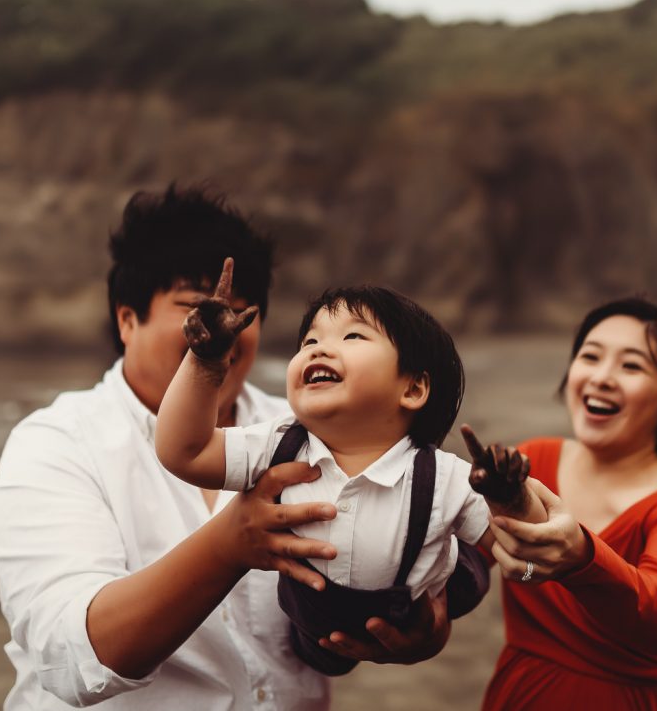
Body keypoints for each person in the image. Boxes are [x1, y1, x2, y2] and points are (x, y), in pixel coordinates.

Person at [0, 185, 451, 711]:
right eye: (197, 308)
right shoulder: (56, 443)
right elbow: (72, 657)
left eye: (243, 311)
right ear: (126, 319)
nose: (224, 326)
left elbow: (421, 533)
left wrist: (425, 627)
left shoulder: (310, 431)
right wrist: (226, 548)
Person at [155, 275, 546, 675]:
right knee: (319, 653)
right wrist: (206, 362)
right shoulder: (278, 443)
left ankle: (454, 570)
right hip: (316, 617)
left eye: (353, 337)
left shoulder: (442, 476)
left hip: (415, 600)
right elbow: (186, 452)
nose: (320, 348)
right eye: (309, 341)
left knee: (465, 577)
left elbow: (527, 552)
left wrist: (509, 498)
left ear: (412, 389)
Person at [478, 298, 657, 711]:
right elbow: (457, 565)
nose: (602, 377)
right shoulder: (532, 464)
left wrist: (584, 558)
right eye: (590, 357)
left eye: (631, 366)